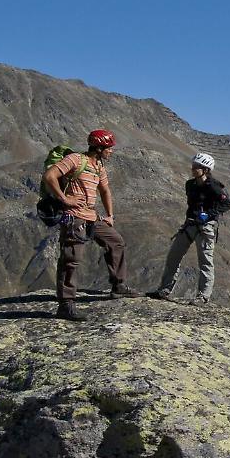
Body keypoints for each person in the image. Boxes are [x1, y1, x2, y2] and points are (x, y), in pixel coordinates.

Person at [43, 129, 140, 321]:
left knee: (116, 241)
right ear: (98, 147)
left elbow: (105, 190)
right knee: (71, 259)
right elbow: (49, 176)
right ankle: (66, 304)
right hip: (74, 216)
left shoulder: (98, 166)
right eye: (108, 148)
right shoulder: (76, 160)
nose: (111, 151)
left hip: (91, 216)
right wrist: (64, 199)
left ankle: (118, 286)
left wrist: (110, 215)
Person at [149, 152, 230, 304]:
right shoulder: (190, 184)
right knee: (173, 256)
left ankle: (203, 296)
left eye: (196, 166)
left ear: (206, 169)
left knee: (205, 261)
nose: (193, 168)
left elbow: (227, 204)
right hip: (190, 224)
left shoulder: (214, 187)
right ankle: (165, 289)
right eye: (193, 165)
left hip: (206, 227)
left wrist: (208, 215)